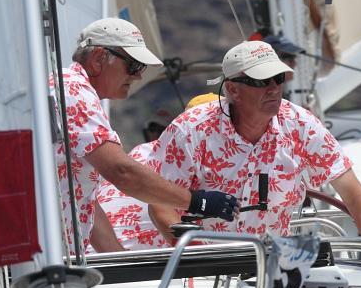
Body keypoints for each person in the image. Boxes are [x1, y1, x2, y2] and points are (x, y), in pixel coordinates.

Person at [146, 41, 361, 244]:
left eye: (278, 78)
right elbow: (159, 204)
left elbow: (355, 197)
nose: (273, 89)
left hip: (273, 268)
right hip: (205, 270)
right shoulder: (190, 130)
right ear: (233, 90)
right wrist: (199, 263)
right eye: (262, 81)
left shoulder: (301, 125)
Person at [51, 18, 238, 253]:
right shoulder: (74, 92)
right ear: (99, 59)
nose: (138, 76)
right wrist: (197, 201)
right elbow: (123, 172)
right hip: (43, 255)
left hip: (56, 254)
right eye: (133, 65)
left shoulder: (72, 89)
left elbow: (83, 200)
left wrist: (120, 263)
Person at [94, 93, 222, 251]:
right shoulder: (194, 161)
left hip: (93, 257)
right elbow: (161, 209)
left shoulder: (141, 151)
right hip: (132, 263)